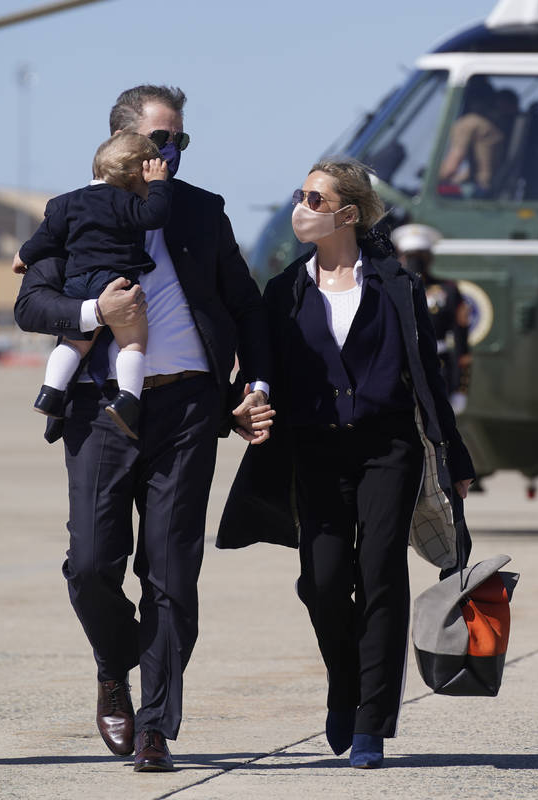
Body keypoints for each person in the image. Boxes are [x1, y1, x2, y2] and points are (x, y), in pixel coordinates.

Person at [12, 84, 274, 772]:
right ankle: (114, 662)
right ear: (124, 142)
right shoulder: (72, 211)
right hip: (100, 408)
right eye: (162, 141)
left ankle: (155, 723)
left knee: (172, 574)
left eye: (180, 141)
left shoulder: (200, 211)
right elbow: (32, 304)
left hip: (187, 407)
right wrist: (95, 310)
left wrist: (253, 388)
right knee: (94, 564)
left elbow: (245, 307)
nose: (172, 153)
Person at [217, 158, 474, 769]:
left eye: (315, 198)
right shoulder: (285, 290)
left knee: (382, 571)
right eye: (301, 196)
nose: (302, 207)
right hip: (315, 450)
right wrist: (240, 406)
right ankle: (343, 684)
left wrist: (454, 455)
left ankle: (371, 721)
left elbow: (428, 377)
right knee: (325, 580)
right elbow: (260, 374)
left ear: (348, 214)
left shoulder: (397, 283)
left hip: (390, 448)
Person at [15, 132, 172, 438]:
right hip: (115, 281)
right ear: (133, 175)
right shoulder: (125, 201)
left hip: (76, 282)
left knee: (74, 343)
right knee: (133, 342)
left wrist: (22, 255)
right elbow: (155, 215)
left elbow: (44, 238)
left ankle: (51, 391)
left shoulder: (64, 203)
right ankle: (127, 399)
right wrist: (158, 185)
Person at [391, 223, 472, 414]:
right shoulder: (391, 290)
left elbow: (462, 345)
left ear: (429, 258)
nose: (414, 262)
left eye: (420, 256)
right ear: (401, 257)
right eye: (410, 256)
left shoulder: (448, 291)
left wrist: (461, 389)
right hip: (398, 372)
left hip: (438, 371)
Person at [438, 78, 508, 194]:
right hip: (489, 188)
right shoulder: (491, 126)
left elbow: (450, 168)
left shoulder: (469, 123)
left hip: (480, 190)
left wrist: (430, 178)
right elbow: (482, 168)